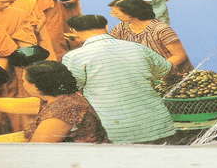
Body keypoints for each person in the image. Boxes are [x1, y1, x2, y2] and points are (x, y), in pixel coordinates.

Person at [60, 14, 177, 144]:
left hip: (116, 130)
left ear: (73, 31)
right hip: (158, 124)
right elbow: (169, 69)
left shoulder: (74, 57)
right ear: (106, 26)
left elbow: (70, 90)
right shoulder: (138, 48)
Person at [0, 61, 109, 143]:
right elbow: (12, 105)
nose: (22, 83)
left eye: (25, 81)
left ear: (38, 87)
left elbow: (36, 151)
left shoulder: (61, 114)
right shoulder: (58, 96)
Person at [107, 0, 192, 77]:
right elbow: (108, 42)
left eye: (116, 13)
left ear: (131, 13)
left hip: (172, 76)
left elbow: (180, 55)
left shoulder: (160, 29)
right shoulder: (121, 27)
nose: (113, 15)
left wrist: (157, 70)